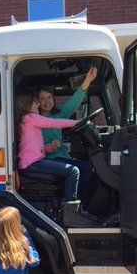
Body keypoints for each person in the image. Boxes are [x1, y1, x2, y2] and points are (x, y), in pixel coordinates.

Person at [16, 92, 95, 227]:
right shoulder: (31, 118)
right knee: (73, 171)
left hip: (33, 161)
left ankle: (74, 210)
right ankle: (71, 215)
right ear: (26, 105)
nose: (38, 104)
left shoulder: (26, 120)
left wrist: (50, 148)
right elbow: (53, 123)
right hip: (33, 163)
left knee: (72, 170)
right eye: (35, 102)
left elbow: (32, 146)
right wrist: (76, 122)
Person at [37, 67, 97, 207]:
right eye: (42, 98)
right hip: (50, 159)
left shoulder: (57, 115)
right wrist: (50, 147)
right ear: (37, 102)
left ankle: (85, 204)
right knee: (87, 168)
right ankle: (78, 207)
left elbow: (73, 104)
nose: (47, 101)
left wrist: (87, 80)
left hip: (62, 157)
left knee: (92, 167)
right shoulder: (35, 120)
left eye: (49, 97)